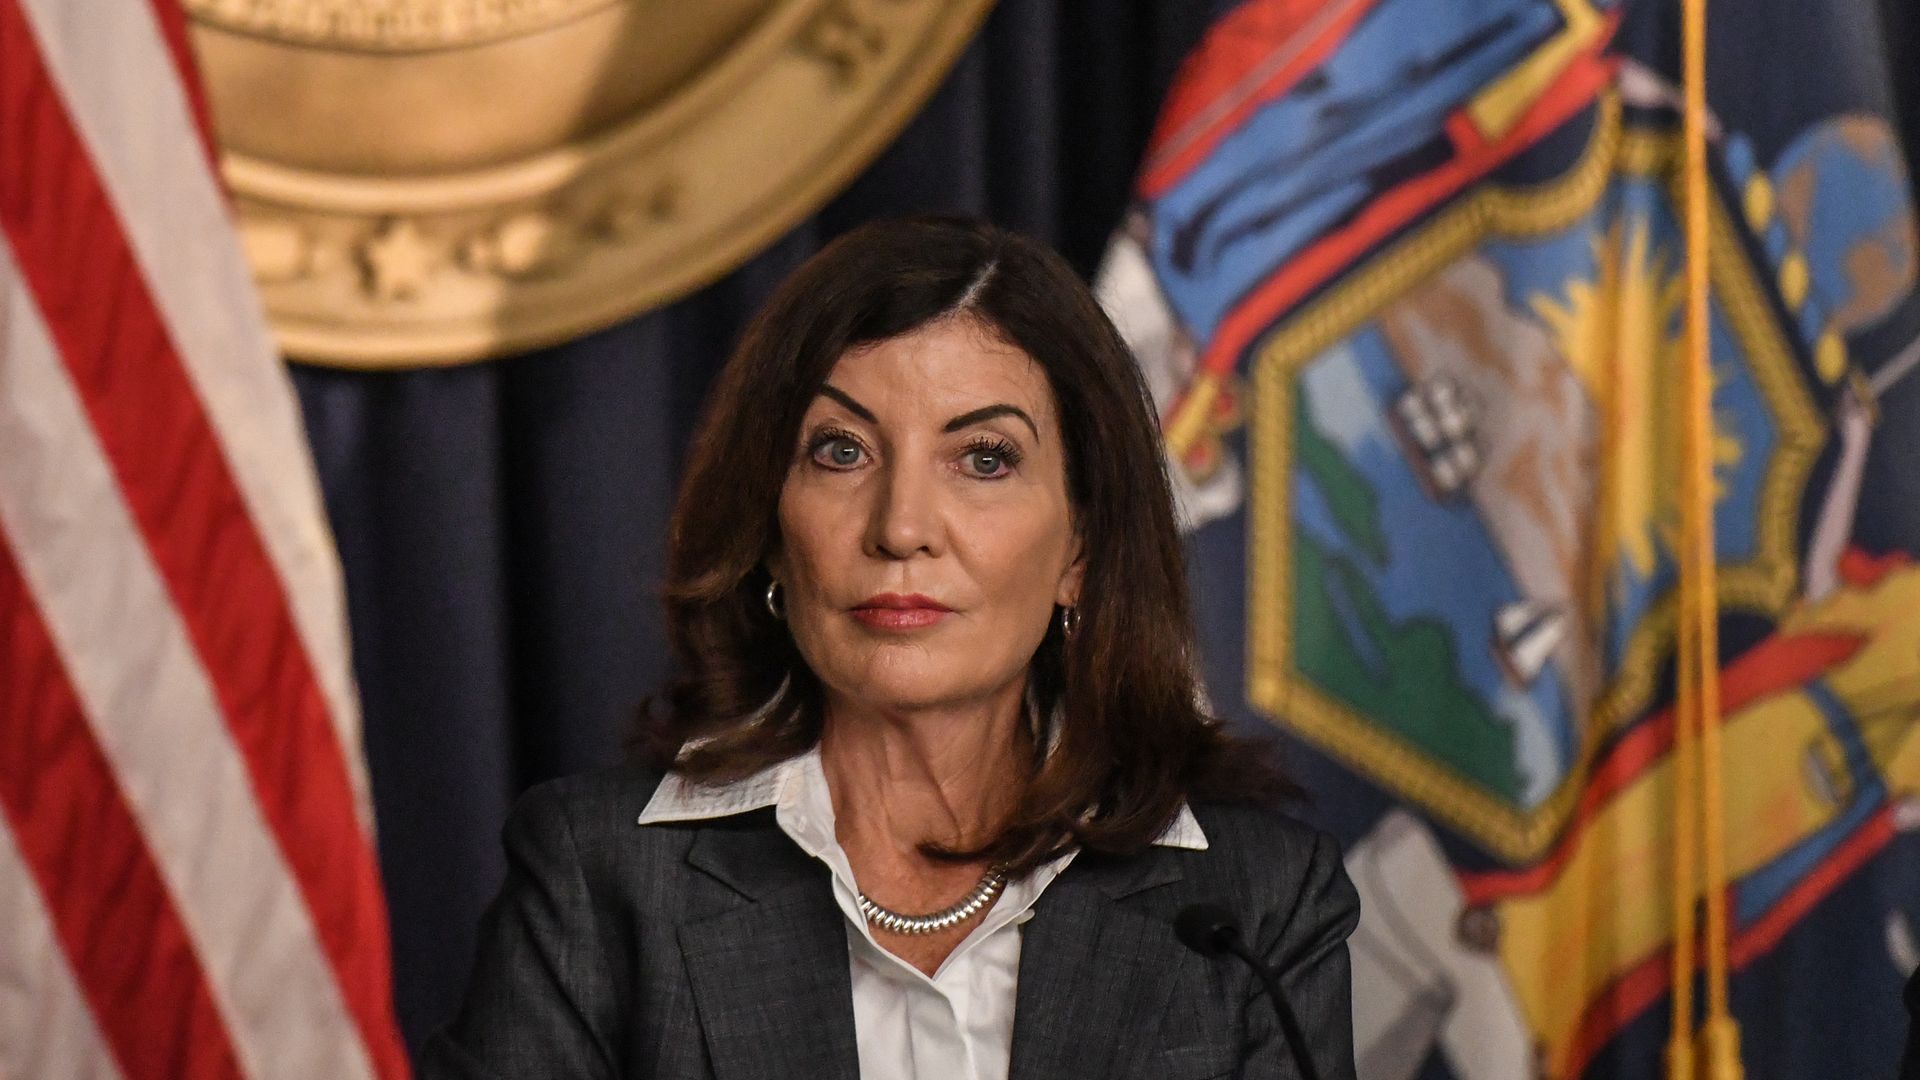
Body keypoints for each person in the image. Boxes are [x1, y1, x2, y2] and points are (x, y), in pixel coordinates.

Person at [421, 217, 1360, 1079]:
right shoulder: (601, 878)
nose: (902, 527)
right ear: (773, 527)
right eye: (841, 452)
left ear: (1081, 547)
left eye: (984, 459)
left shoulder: (1253, 904)